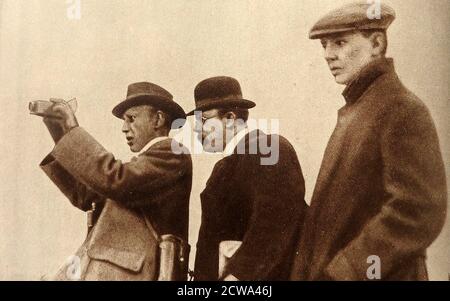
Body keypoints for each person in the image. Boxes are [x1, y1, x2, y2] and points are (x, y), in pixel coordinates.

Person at [290, 2, 447, 281]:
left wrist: (346, 271)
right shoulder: (360, 110)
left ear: (376, 44)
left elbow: (418, 210)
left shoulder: (401, 108)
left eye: (339, 42)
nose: (328, 55)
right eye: (325, 45)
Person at [40, 82, 192, 280]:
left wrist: (72, 130)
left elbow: (115, 180)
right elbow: (86, 196)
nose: (124, 128)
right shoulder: (147, 164)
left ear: (158, 119)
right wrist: (61, 135)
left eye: (131, 118)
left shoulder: (172, 153)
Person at [189, 76, 307, 281]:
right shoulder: (224, 166)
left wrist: (238, 276)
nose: (196, 128)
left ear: (230, 118)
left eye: (203, 120)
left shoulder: (267, 147)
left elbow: (274, 222)